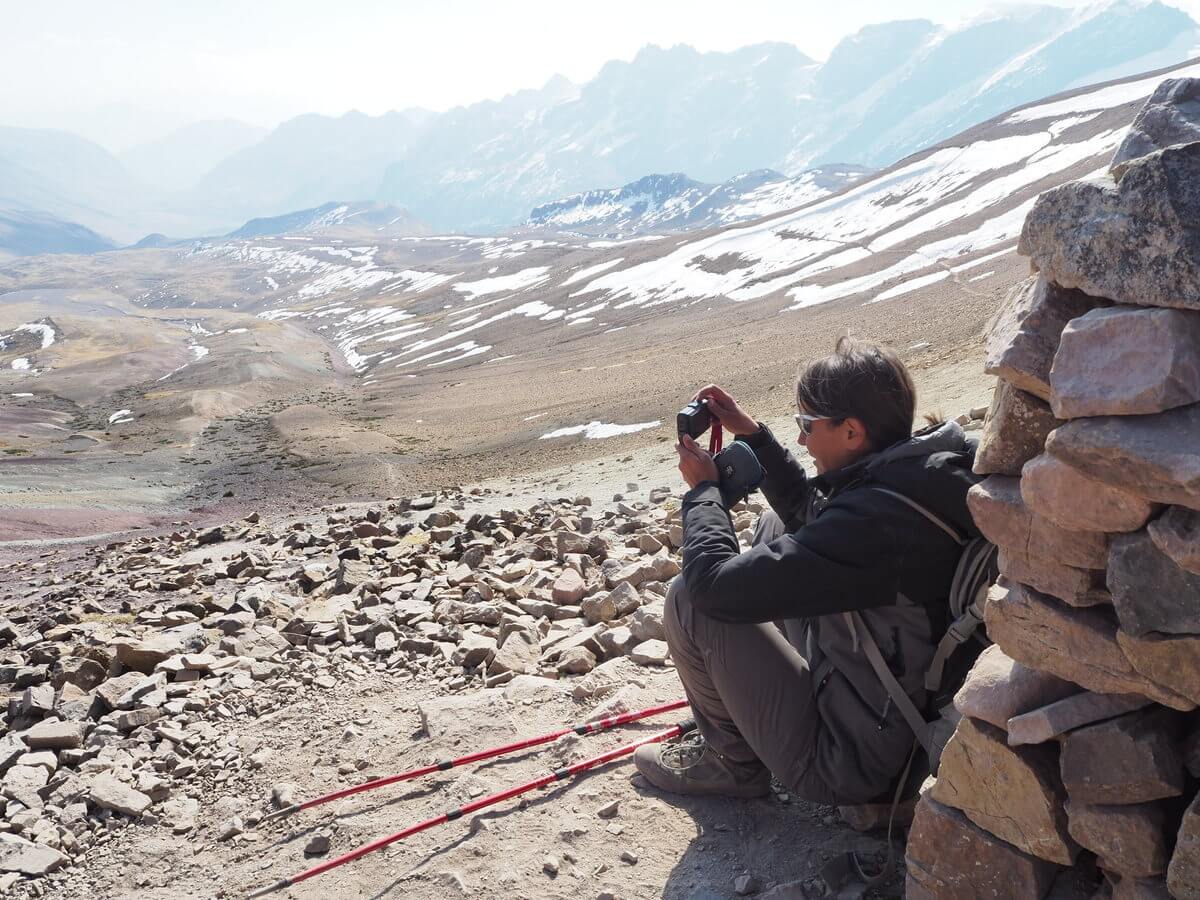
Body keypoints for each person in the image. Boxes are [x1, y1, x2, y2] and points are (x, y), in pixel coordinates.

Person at [633, 338, 984, 806]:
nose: (801, 439)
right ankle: (753, 714)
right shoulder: (920, 473)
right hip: (888, 705)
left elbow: (712, 586)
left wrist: (703, 495)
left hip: (855, 760)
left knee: (688, 601)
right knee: (776, 525)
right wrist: (751, 434)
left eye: (806, 425)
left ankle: (734, 763)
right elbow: (814, 515)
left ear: (852, 432)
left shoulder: (873, 527)